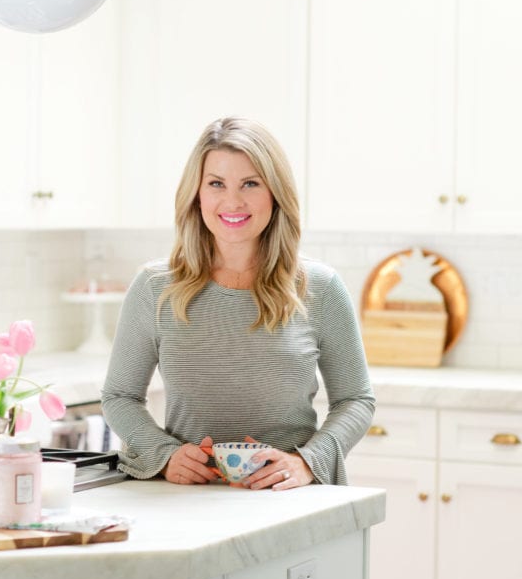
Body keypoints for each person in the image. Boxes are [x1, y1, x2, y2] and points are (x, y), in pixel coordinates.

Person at [101, 116, 375, 490]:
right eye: (216, 183)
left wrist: (307, 463)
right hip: (186, 499)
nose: (232, 201)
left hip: (288, 498)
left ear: (274, 193)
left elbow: (356, 399)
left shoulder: (320, 287)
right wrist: (165, 455)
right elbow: (120, 397)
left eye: (250, 183)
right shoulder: (155, 287)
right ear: (197, 194)